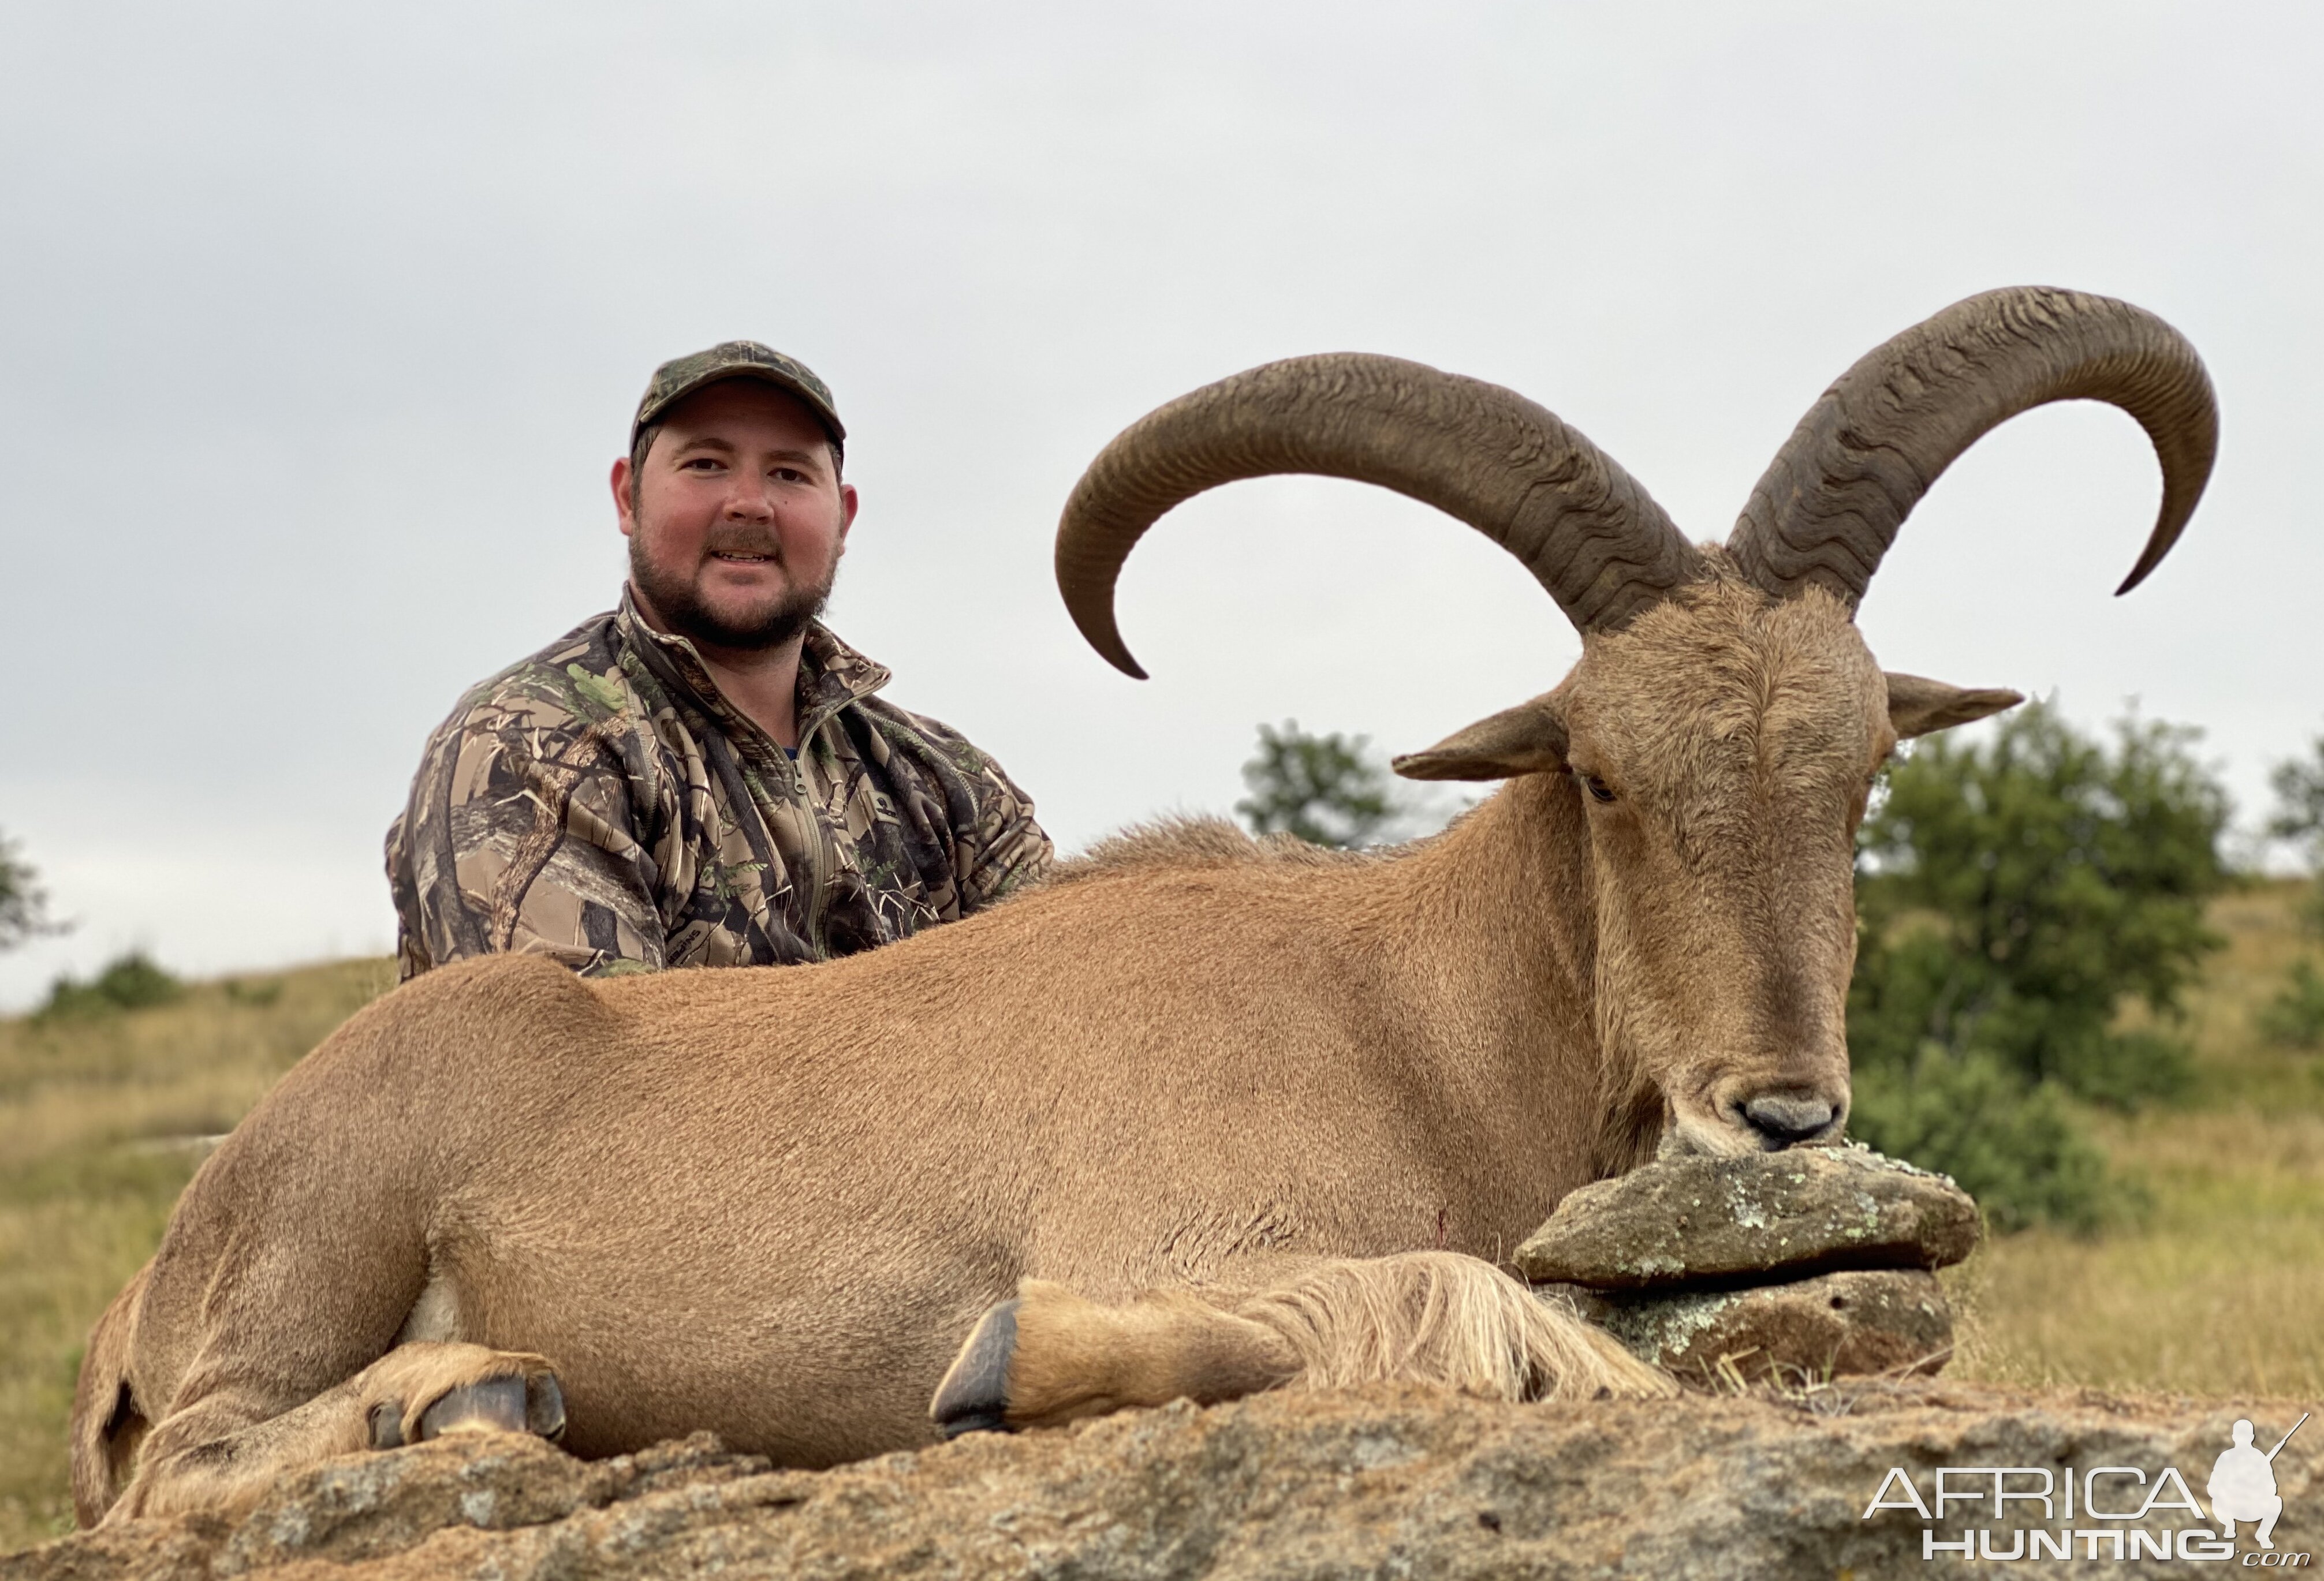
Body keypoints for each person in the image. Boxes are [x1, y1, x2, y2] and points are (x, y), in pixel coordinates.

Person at [386, 342, 1051, 980]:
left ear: (843, 522)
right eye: (706, 464)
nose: (749, 503)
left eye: (789, 473)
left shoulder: (949, 786)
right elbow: (571, 1076)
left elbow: (1075, 1010)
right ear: (628, 498)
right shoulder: (528, 743)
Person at [2207, 1418, 2286, 1549]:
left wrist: (2254, 1486)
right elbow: (2212, 1488)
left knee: (2276, 1502)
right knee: (2217, 1500)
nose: (2243, 1439)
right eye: (2240, 1435)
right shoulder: (2225, 1458)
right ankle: (2229, 1525)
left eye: (2246, 1435)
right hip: (2229, 1508)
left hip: (2253, 1507)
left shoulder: (2260, 1458)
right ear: (2234, 1437)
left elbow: (2272, 1489)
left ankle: (2263, 1534)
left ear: (2252, 1437)